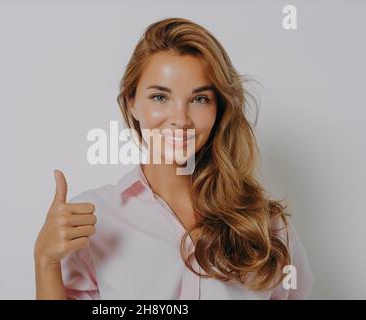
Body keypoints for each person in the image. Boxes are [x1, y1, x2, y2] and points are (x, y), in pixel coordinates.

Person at [34, 17, 314, 300]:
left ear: (219, 107)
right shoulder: (93, 219)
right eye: (159, 97)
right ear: (131, 102)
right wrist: (46, 262)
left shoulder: (266, 225)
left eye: (199, 99)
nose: (180, 120)